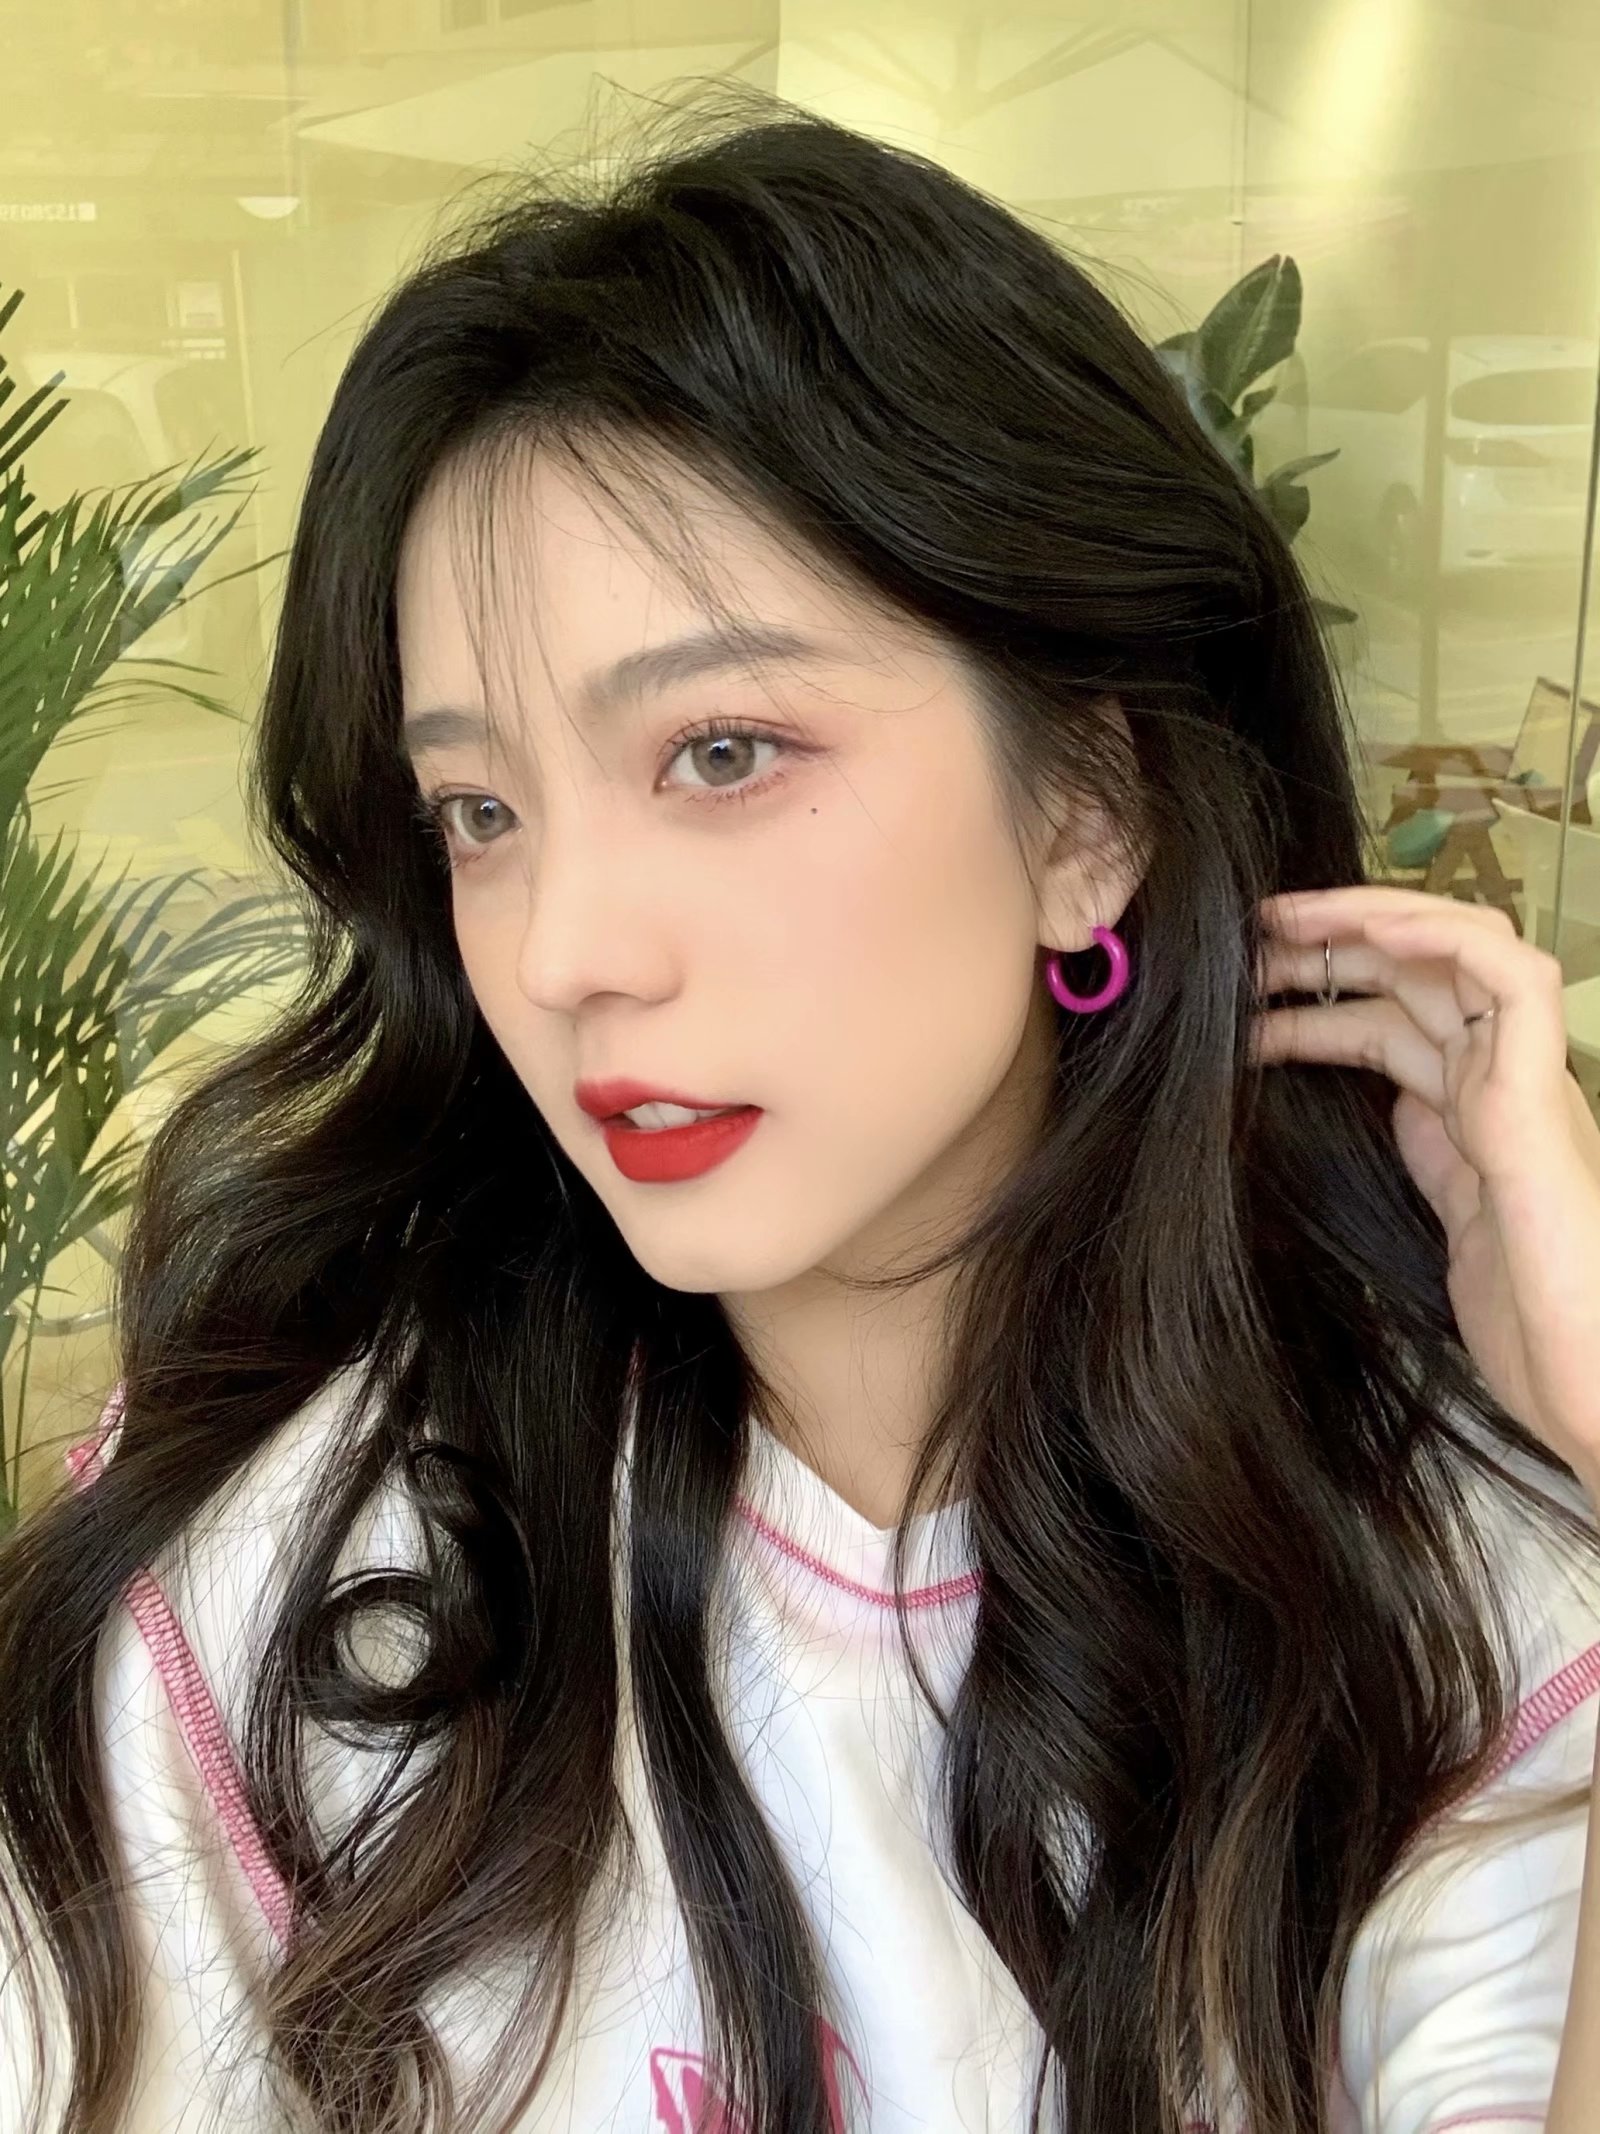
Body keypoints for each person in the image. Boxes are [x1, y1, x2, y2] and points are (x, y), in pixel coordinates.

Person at [3, 77, 1600, 2134]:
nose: (564, 947)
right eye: (477, 809)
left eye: (723, 751)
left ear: (1086, 811)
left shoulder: (1449, 1604)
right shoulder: (309, 1573)